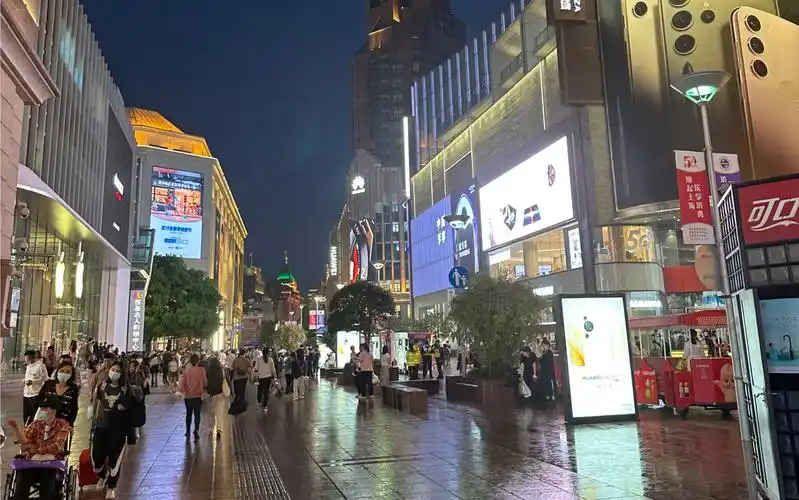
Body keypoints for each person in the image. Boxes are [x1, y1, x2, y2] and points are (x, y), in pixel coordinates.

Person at [90, 361, 142, 499]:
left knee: (115, 458)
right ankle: (102, 475)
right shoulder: (102, 386)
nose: (114, 372)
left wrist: (126, 408)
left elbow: (133, 405)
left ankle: (111, 486)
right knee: (96, 457)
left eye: (117, 371)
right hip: (101, 425)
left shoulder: (126, 389)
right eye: (113, 369)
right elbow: (97, 401)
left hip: (118, 428)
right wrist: (93, 415)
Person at [6, 396, 71, 500]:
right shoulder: (36, 424)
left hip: (50, 464)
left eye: (45, 408)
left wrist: (37, 449)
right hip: (32, 462)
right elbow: (24, 441)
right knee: (22, 477)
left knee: (47, 478)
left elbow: (57, 446)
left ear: (53, 410)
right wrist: (16, 428)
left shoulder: (63, 424)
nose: (41, 411)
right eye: (41, 408)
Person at [37, 361, 80, 426]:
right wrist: (47, 407)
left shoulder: (73, 388)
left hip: (62, 424)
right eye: (61, 371)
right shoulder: (49, 384)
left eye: (68, 372)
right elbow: (38, 400)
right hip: (44, 422)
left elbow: (74, 408)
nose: (64, 373)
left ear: (72, 375)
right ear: (57, 372)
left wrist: (70, 424)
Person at [178, 354, 207, 439]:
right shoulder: (201, 370)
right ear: (198, 361)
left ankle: (187, 431)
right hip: (198, 396)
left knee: (189, 414)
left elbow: (182, 383)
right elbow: (205, 382)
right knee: (197, 414)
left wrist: (180, 391)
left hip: (188, 396)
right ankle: (196, 430)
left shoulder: (186, 371)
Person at [23, 350, 48, 425]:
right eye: (25, 359)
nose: (26, 360)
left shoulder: (40, 366)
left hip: (36, 394)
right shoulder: (28, 367)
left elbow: (44, 378)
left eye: (28, 359)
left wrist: (33, 382)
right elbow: (28, 377)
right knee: (25, 415)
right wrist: (25, 380)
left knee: (33, 415)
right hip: (26, 394)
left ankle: (31, 431)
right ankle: (27, 429)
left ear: (32, 357)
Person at [204, 355, 226, 438]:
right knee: (219, 412)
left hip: (211, 394)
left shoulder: (208, 371)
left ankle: (211, 428)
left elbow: (206, 381)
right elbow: (224, 379)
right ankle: (219, 429)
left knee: (211, 412)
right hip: (220, 393)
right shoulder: (221, 370)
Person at [255, 348, 278, 412]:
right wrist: (275, 377)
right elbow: (273, 370)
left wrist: (256, 374)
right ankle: (265, 406)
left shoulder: (259, 359)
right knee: (266, 392)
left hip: (260, 377)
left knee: (259, 390)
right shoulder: (270, 360)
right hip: (268, 378)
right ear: (268, 353)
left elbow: (256, 369)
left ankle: (259, 403)